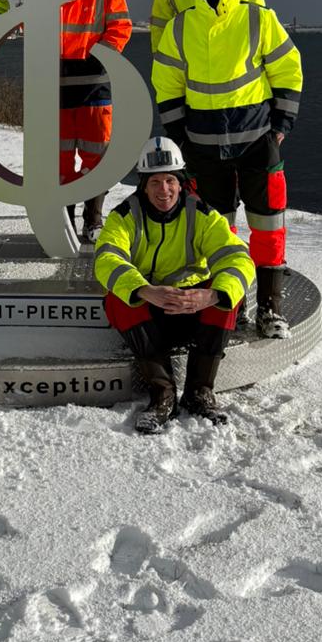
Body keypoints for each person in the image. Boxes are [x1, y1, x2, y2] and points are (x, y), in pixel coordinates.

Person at [151, 0, 302, 338]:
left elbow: (288, 69)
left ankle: (270, 307)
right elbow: (167, 83)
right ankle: (228, 305)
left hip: (258, 143)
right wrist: (178, 136)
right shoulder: (180, 27)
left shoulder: (258, 19)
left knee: (268, 225)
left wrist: (281, 123)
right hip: (203, 147)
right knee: (217, 231)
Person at [94, 136, 254, 432]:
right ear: (143, 186)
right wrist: (144, 290)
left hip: (194, 309)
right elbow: (106, 259)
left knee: (226, 294)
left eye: (170, 180)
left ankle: (199, 391)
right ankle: (163, 395)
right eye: (154, 182)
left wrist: (209, 296)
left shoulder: (202, 214)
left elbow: (238, 257)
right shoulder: (124, 216)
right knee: (119, 297)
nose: (163, 190)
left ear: (181, 183)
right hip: (150, 314)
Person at [58, 0, 133, 243]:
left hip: (94, 85)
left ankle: (93, 219)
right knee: (59, 160)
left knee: (96, 156)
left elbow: (120, 26)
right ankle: (64, 222)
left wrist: (101, 55)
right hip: (57, 86)